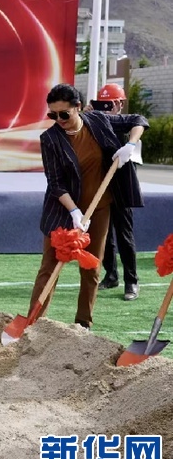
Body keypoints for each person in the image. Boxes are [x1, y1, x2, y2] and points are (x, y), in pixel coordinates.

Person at [30, 83, 147, 329]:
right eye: (53, 115)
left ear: (78, 108)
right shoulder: (50, 139)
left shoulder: (99, 121)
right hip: (63, 211)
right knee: (49, 269)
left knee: (91, 267)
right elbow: (56, 183)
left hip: (99, 208)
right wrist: (74, 211)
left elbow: (138, 120)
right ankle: (32, 323)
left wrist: (130, 145)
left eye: (64, 114)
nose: (59, 120)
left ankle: (83, 324)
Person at [94, 83, 142, 301]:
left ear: (120, 104)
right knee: (104, 234)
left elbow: (140, 121)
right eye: (103, 103)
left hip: (121, 187)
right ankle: (111, 274)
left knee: (124, 234)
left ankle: (131, 281)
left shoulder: (126, 122)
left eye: (112, 103)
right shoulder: (96, 121)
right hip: (100, 185)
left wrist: (130, 144)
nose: (108, 108)